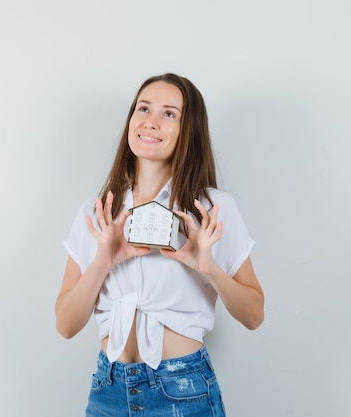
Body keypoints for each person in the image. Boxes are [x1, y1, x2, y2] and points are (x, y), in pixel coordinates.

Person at [55, 73, 264, 416]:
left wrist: (208, 267)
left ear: (188, 131)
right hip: (109, 392)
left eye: (169, 114)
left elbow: (254, 315)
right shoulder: (98, 213)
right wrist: (102, 263)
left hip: (182, 389)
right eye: (143, 109)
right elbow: (65, 325)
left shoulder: (211, 210)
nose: (150, 122)